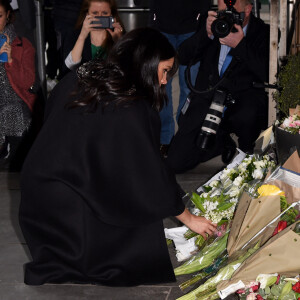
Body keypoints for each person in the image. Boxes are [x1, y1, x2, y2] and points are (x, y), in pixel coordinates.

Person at [18, 28, 217, 286]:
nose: (165, 81)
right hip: (67, 211)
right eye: (165, 70)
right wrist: (188, 218)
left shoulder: (88, 72)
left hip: (39, 199)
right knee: (139, 213)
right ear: (146, 63)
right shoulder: (130, 104)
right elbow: (149, 171)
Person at [166, 0, 270, 174]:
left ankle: (246, 149)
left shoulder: (263, 32)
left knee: (248, 115)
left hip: (243, 99)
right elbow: (183, 56)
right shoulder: (213, 27)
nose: (226, 18)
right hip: (208, 95)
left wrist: (240, 45)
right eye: (223, 12)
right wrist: (205, 34)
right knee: (176, 162)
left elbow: (267, 72)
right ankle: (220, 143)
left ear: (248, 10)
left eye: (232, 13)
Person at [150, 0, 211, 157]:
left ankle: (185, 138)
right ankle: (165, 140)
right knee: (162, 85)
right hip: (161, 27)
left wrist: (200, 14)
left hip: (192, 27)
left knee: (189, 87)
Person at [0, 0, 36, 170]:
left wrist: (11, 61)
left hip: (15, 104)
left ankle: (13, 158)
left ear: (8, 16)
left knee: (12, 112)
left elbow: (28, 82)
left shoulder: (23, 45)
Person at [63, 0, 124, 75]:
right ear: (86, 14)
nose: (100, 16)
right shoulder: (74, 35)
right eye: (95, 13)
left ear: (112, 14)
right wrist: (82, 36)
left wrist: (119, 42)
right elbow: (70, 67)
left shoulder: (119, 34)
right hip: (83, 84)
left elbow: (126, 66)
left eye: (105, 13)